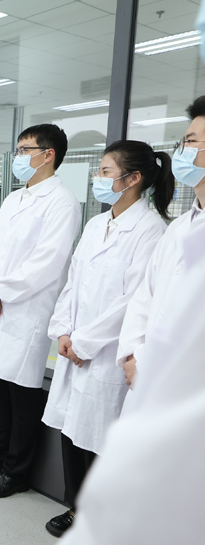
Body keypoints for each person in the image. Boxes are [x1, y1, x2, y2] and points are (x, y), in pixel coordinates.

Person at [40, 141, 172, 538]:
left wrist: (84, 341)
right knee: (72, 432)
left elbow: (131, 301)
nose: (98, 178)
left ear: (133, 179)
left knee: (98, 440)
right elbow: (73, 281)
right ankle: (75, 507)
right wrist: (64, 331)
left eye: (105, 171)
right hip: (75, 348)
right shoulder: (97, 224)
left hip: (106, 354)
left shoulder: (151, 230)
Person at [0, 124, 82, 498]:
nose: (18, 157)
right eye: (18, 150)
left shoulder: (63, 203)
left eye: (25, 150)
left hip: (28, 311)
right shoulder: (14, 199)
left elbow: (48, 262)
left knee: (21, 394)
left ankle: (16, 472)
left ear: (48, 155)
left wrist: (0, 291)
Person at [116, 96, 205, 414]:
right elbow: (145, 297)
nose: (182, 150)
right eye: (184, 142)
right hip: (144, 379)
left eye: (191, 142)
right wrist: (133, 354)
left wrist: (147, 361)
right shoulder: (178, 228)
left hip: (185, 392)